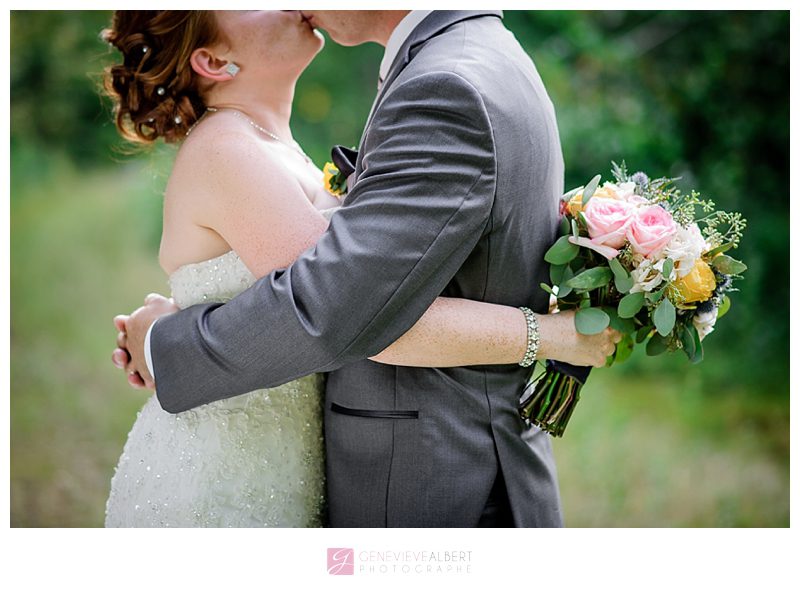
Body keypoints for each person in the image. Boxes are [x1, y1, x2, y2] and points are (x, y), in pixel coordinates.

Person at [108, 10, 620, 527]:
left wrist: (168, 337)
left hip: (394, 459)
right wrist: (552, 335)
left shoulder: (282, 139)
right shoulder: (227, 149)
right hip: (230, 473)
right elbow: (352, 312)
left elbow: (352, 305)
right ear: (214, 60)